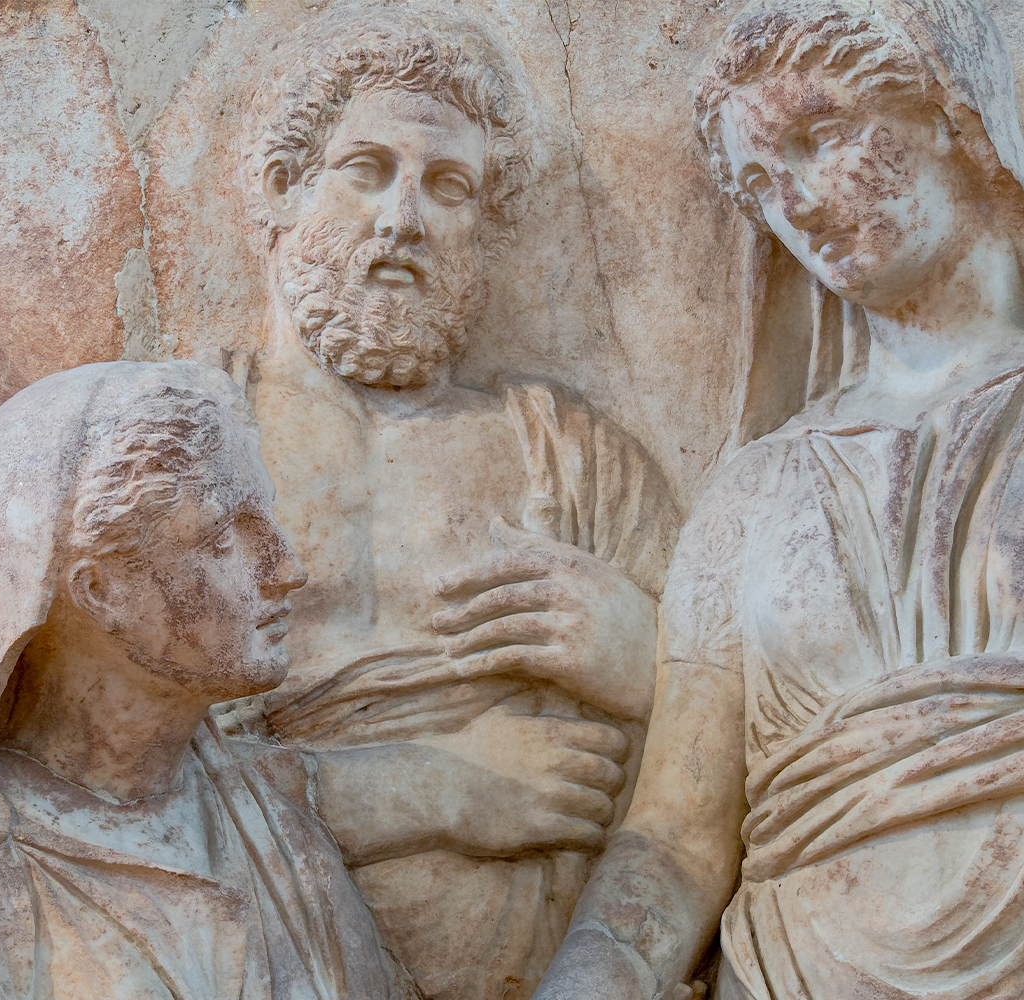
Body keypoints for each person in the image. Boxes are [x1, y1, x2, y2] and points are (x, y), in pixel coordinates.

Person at [534, 2, 1024, 999]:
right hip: (798, 966)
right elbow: (676, 838)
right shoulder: (750, 493)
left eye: (816, 139)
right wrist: (593, 969)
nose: (796, 201)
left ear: (952, 116)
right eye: (756, 183)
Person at [226, 14, 684, 999]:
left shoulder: (569, 457)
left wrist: (642, 652)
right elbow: (89, 775)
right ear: (279, 190)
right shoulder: (186, 451)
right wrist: (433, 785)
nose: (405, 218)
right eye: (366, 168)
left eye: (448, 186)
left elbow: (726, 753)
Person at [0, 360, 419, 999]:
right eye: (222, 536)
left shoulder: (280, 843)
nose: (285, 567)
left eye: (266, 520)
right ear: (98, 590)